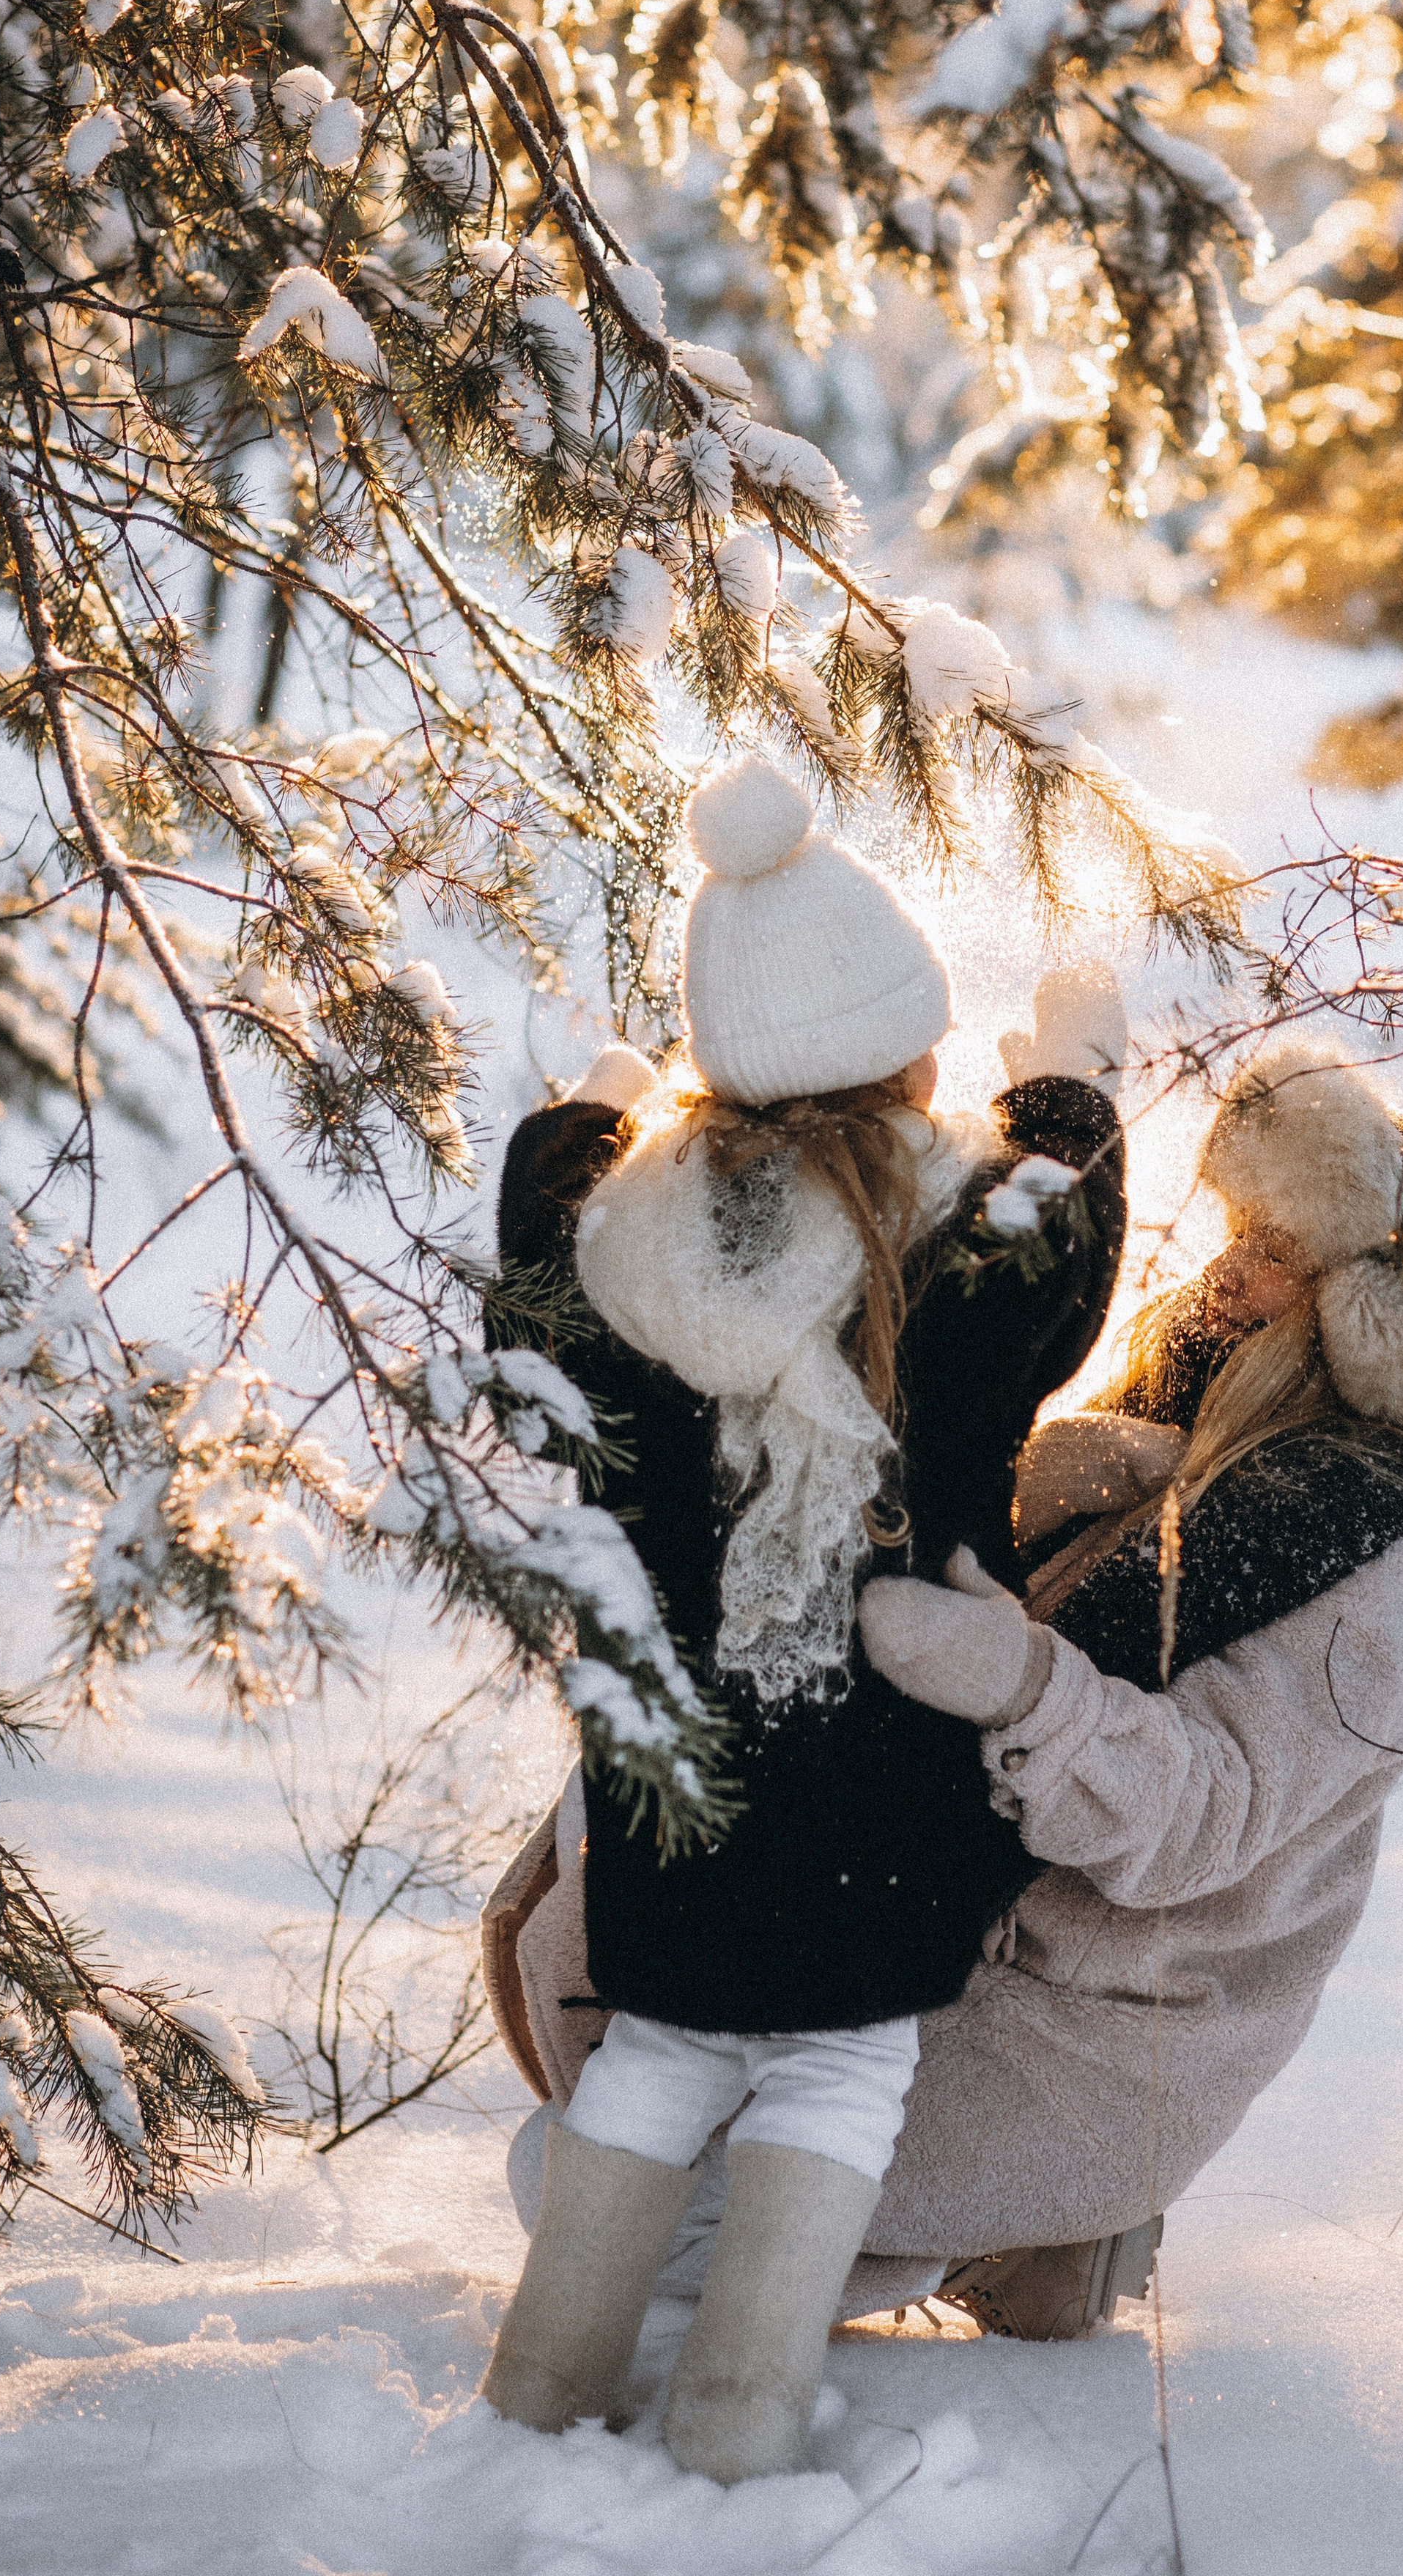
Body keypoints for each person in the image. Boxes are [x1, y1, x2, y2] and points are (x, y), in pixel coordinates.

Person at [483, 1035, 1403, 2347]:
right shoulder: (1173, 1421)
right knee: (646, 2017)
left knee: (602, 2182)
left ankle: (1035, 2234)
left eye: (1277, 1256)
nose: (1231, 1272)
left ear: (1358, 1308)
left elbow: (1200, 1818)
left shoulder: (1343, 1546)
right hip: (957, 1924)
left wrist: (1024, 1685)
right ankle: (944, 2208)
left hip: (1090, 2027)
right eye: (1241, 1234)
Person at [477, 751, 1129, 2476]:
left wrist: (581, 1120)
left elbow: (529, 1294)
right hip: (881, 1772)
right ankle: (734, 2435)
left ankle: (534, 2399)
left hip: (672, 1766)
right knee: (839, 2073)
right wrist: (1069, 1077)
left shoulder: (622, 1249)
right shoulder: (963, 1252)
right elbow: (1066, 1249)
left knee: (659, 2057)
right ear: (910, 1053)